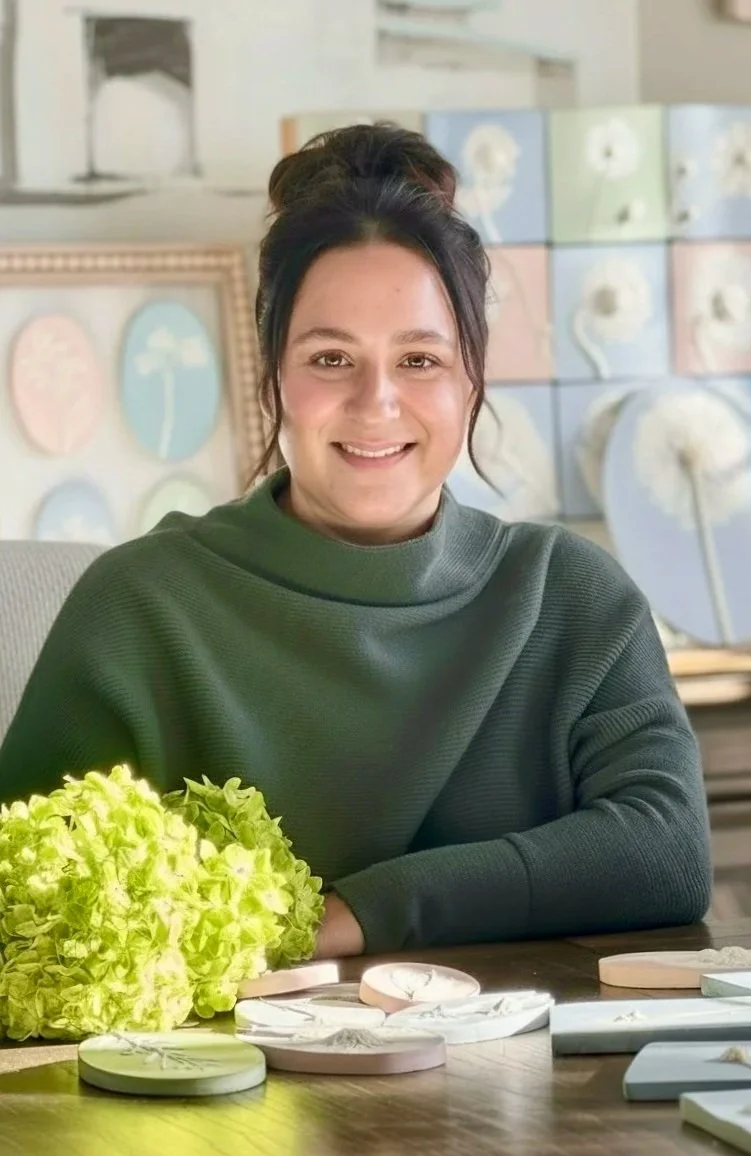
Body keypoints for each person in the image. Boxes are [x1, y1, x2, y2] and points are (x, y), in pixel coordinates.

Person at [0, 124, 712, 959]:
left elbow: (665, 852)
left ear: (470, 381)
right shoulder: (140, 608)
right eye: (331, 358)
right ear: (273, 377)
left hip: (531, 1083)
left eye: (418, 360)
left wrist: (347, 914)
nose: (376, 403)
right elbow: (22, 896)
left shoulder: (570, 596)